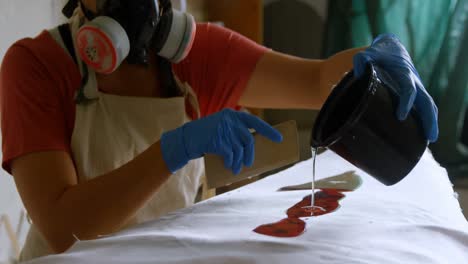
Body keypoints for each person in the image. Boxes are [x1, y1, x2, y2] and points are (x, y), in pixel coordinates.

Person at [0, 0, 438, 261]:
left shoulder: (194, 57)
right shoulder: (36, 66)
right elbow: (63, 227)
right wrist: (172, 151)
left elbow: (318, 81)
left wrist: (377, 59)